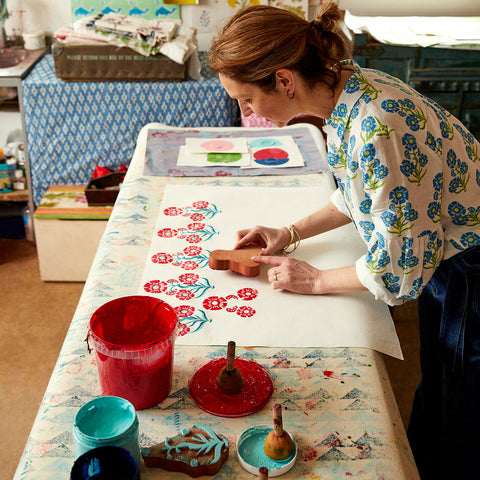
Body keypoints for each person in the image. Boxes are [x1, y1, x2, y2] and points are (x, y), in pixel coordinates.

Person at [209, 3, 480, 479]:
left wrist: (316, 281)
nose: (243, 111)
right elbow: (360, 191)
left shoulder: (376, 124)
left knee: (464, 402)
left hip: (471, 264)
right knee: (436, 377)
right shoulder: (347, 91)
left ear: (284, 80)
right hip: (445, 251)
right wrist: (290, 232)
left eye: (246, 99)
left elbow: (400, 271)